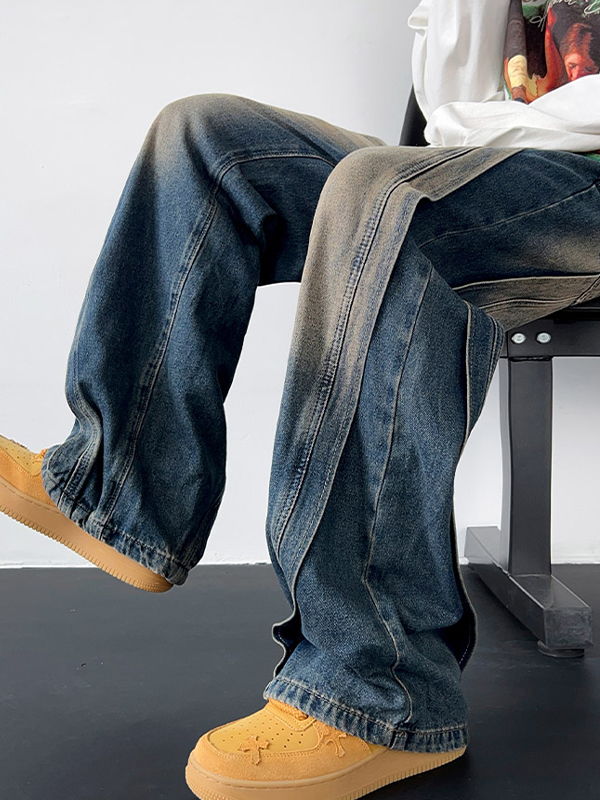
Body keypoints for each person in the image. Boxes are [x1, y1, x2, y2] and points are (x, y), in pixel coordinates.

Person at [1, 2, 600, 799]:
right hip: (498, 154)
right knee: (208, 137)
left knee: (390, 197)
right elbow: (456, 95)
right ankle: (118, 491)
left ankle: (378, 689)